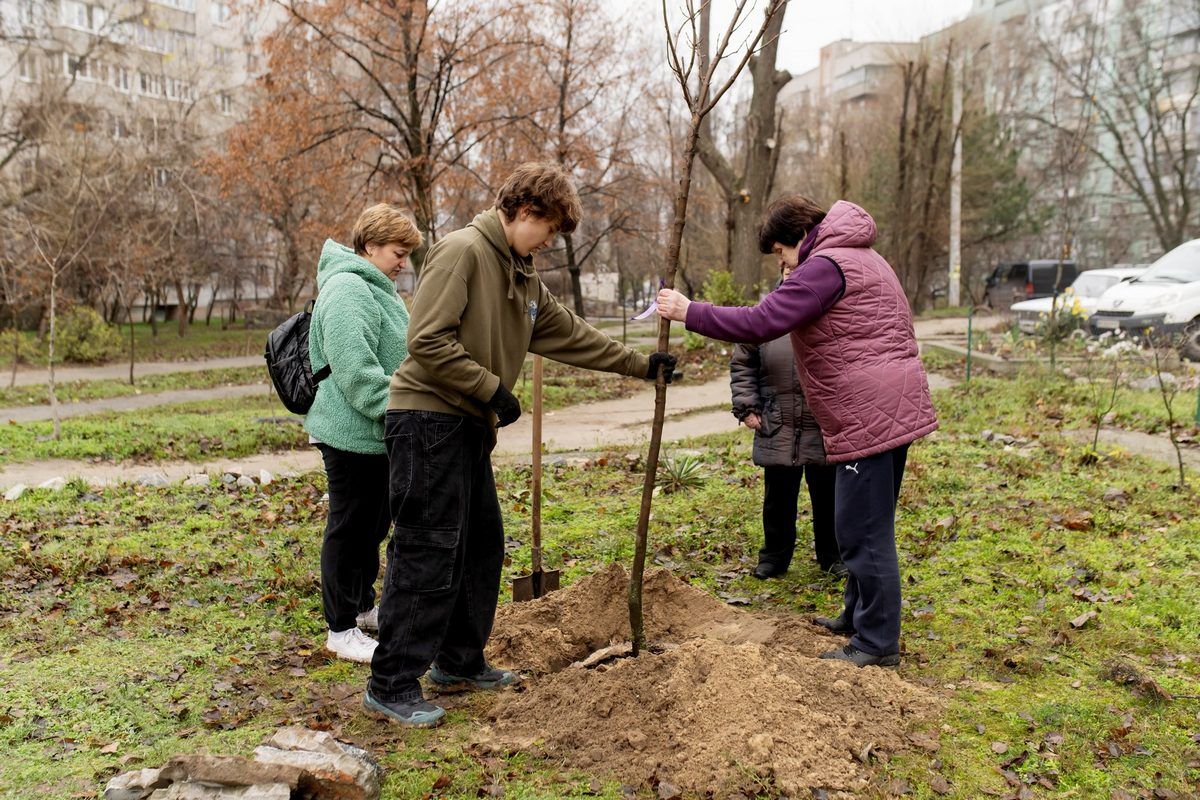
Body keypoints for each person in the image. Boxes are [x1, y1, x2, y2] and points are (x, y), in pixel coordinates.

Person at [363, 162, 677, 727]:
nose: (551, 241)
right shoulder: (463, 252)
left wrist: (640, 365)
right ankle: (391, 682)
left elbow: (568, 333)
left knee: (480, 546)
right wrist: (491, 390)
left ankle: (458, 662)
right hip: (428, 420)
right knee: (428, 548)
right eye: (550, 228)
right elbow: (426, 339)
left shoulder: (522, 272)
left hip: (466, 426)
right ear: (525, 212)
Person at [656, 195, 937, 668]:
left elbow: (763, 321)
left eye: (783, 253)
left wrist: (690, 311)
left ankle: (876, 643)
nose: (785, 264)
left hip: (867, 411)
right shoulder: (863, 255)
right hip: (890, 404)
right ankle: (856, 617)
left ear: (798, 238)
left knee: (861, 532)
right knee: (867, 525)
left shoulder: (825, 264)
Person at [305, 203, 422, 664]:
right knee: (350, 528)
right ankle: (339, 629)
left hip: (375, 432)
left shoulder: (378, 288)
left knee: (371, 525)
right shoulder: (349, 290)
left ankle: (360, 608)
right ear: (370, 246)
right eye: (398, 251)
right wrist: (398, 415)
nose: (403, 262)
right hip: (350, 432)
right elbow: (357, 373)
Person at [729, 261, 841, 581]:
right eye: (785, 268)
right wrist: (747, 406)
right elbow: (742, 362)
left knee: (829, 495)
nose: (789, 271)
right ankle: (774, 558)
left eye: (797, 266)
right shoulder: (765, 312)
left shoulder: (829, 311)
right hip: (776, 421)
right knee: (777, 499)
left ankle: (833, 556)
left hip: (822, 422)